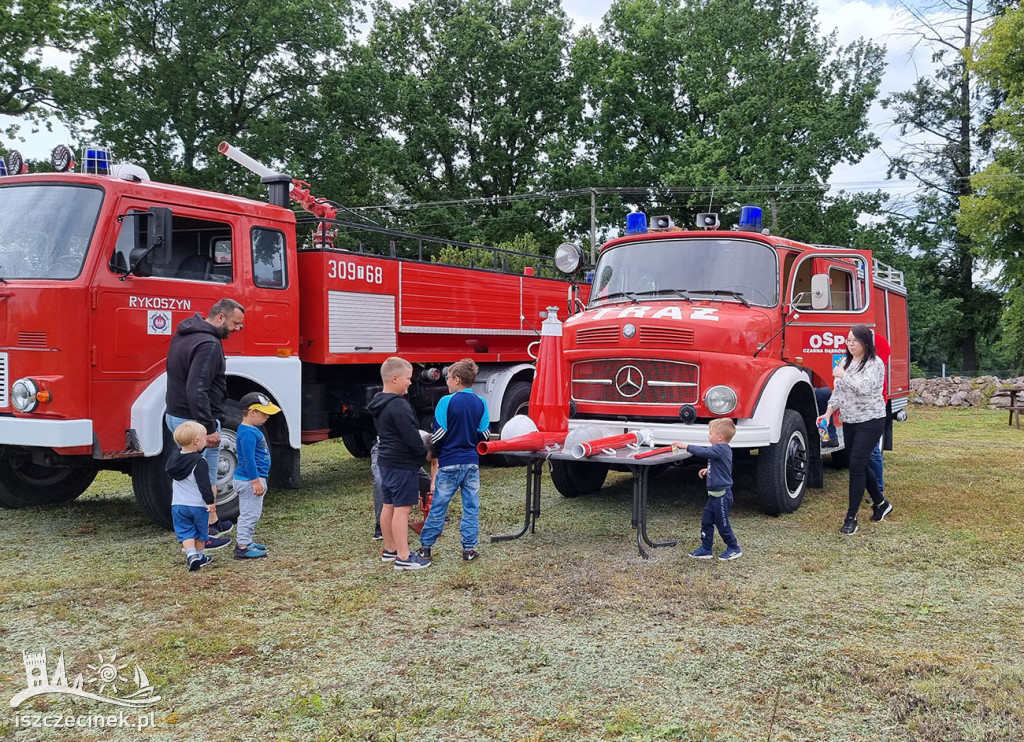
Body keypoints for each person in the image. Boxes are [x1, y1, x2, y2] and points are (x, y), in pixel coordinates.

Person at [165, 298, 245, 550]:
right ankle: (204, 535)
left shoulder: (184, 333)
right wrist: (209, 427)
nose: (237, 329)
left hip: (176, 415)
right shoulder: (209, 344)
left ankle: (212, 521)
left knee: (188, 476)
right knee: (203, 477)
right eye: (235, 323)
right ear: (220, 318)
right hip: (197, 420)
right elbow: (197, 389)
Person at [817, 324, 892, 535]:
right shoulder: (845, 363)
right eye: (848, 341)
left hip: (872, 419)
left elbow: (865, 387)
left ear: (865, 343)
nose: (850, 345)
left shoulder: (875, 364)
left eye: (854, 341)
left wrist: (843, 375)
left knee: (856, 466)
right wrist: (828, 413)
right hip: (850, 420)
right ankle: (880, 502)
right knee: (857, 463)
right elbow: (838, 392)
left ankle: (851, 518)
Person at [417, 358, 490, 562]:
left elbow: (439, 435)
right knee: (471, 506)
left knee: (439, 505)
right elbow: (484, 434)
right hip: (471, 462)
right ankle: (469, 549)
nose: (446, 382)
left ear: (457, 380)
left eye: (448, 378)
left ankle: (426, 547)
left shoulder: (446, 402)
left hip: (449, 462)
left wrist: (435, 451)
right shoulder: (481, 402)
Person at [367, 357, 431, 571]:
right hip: (402, 463)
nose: (410, 383)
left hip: (386, 461)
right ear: (394, 378)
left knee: (389, 505)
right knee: (402, 509)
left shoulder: (379, 401)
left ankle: (390, 550)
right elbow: (411, 437)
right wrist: (424, 452)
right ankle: (404, 557)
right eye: (407, 378)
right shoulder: (399, 406)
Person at [674, 418, 742, 561]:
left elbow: (704, 452)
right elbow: (721, 467)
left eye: (710, 433)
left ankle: (734, 548)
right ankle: (706, 549)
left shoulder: (721, 448)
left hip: (722, 495)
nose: (708, 436)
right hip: (713, 495)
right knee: (706, 520)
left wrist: (686, 446)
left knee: (722, 524)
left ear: (720, 437)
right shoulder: (719, 451)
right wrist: (708, 470)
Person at [233, 392, 280, 560]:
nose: (267, 416)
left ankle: (246, 541)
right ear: (252, 412)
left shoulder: (249, 430)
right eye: (264, 413)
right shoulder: (248, 433)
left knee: (250, 511)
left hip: (251, 479)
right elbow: (248, 458)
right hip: (250, 480)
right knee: (250, 513)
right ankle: (243, 547)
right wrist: (255, 481)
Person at [166, 420, 217, 571]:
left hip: (178, 504)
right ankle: (200, 556)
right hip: (197, 505)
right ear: (196, 441)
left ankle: (190, 554)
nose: (205, 441)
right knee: (201, 532)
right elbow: (204, 484)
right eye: (204, 438)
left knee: (185, 530)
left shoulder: (173, 460)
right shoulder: (199, 461)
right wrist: (210, 501)